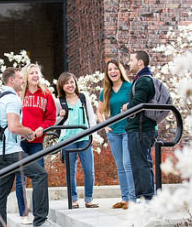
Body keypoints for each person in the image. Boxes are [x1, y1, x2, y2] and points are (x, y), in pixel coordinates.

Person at [0, 67, 61, 227]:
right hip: (12, 152)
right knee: (40, 175)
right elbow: (14, 127)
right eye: (20, 78)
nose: (23, 80)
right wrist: (29, 132)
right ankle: (40, 220)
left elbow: (8, 126)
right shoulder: (13, 98)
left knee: (1, 191)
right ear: (11, 81)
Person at [15, 63, 56, 224]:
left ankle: (39, 213)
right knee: (21, 178)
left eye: (37, 72)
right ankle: (24, 213)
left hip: (37, 142)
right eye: (31, 73)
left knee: (39, 176)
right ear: (26, 76)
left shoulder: (46, 94)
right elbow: (13, 117)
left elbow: (51, 118)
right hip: (21, 142)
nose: (35, 75)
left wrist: (42, 128)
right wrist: (24, 131)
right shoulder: (19, 94)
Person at [55, 72, 99, 209]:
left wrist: (93, 135)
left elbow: (91, 117)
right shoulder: (58, 102)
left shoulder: (83, 97)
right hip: (68, 139)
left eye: (72, 82)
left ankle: (88, 198)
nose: (70, 85)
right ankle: (73, 199)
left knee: (89, 169)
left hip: (85, 137)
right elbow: (54, 122)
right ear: (62, 86)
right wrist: (59, 115)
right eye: (66, 83)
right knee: (71, 170)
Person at [97, 59, 136, 210]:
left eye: (115, 69)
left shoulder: (130, 87)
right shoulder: (105, 91)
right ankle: (124, 198)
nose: (113, 72)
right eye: (110, 70)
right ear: (107, 74)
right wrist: (105, 126)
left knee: (127, 163)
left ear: (120, 71)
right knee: (120, 166)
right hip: (114, 133)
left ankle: (132, 199)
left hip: (128, 130)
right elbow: (99, 111)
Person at [122, 51, 157, 201]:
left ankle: (147, 199)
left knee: (140, 164)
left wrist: (126, 107)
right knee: (142, 163)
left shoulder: (143, 80)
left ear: (140, 63)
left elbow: (138, 104)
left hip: (140, 129)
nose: (129, 63)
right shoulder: (143, 79)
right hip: (140, 129)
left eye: (131, 60)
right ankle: (147, 198)